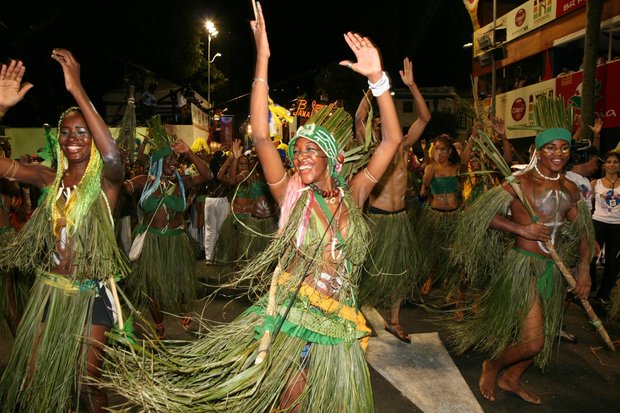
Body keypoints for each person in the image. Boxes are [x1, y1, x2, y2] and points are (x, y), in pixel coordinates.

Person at [97, 3, 403, 411]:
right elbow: (261, 136)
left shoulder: (356, 192)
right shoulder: (290, 194)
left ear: (336, 159)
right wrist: (263, 57)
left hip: (340, 316)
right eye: (298, 150)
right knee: (290, 402)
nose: (302, 157)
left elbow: (391, 142)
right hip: (295, 310)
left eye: (313, 150)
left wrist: (379, 80)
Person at [0, 51, 128, 412]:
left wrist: (77, 90)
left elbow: (115, 158)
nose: (73, 138)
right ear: (58, 138)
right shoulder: (46, 177)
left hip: (90, 295)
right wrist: (0, 109)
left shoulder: (106, 182)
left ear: (93, 138)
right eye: (67, 132)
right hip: (50, 291)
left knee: (87, 387)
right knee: (33, 379)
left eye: (82, 132)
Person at [449, 127, 594, 405]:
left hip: (553, 269)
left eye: (564, 147)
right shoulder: (521, 182)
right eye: (550, 148)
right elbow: (481, 213)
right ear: (537, 152)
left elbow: (584, 232)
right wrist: (521, 229)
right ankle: (493, 365)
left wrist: (584, 268)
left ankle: (511, 378)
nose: (558, 154)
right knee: (534, 342)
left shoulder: (570, 188)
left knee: (546, 335)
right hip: (524, 267)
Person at [357, 57, 430, 343]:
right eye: (376, 124)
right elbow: (359, 118)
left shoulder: (402, 146)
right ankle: (352, 314)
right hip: (375, 218)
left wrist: (411, 85)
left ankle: (395, 320)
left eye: (382, 122)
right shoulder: (371, 152)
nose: (379, 126)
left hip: (399, 219)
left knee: (399, 271)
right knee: (365, 271)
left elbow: (424, 118)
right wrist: (370, 85)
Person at [123, 119, 213, 339]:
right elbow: (120, 187)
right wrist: (116, 164)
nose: (174, 163)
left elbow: (208, 176)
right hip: (152, 241)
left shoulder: (182, 181)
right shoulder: (144, 181)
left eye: (176, 159)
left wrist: (189, 153)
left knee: (181, 283)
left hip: (176, 240)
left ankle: (185, 310)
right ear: (157, 161)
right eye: (168, 159)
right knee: (153, 286)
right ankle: (159, 324)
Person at [589, 150, 620, 304]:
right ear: (604, 165)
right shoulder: (595, 183)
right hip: (598, 223)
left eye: (615, 162)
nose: (611, 165)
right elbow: (587, 205)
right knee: (590, 257)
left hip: (618, 227)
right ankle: (589, 288)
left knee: (613, 262)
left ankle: (604, 293)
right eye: (609, 161)